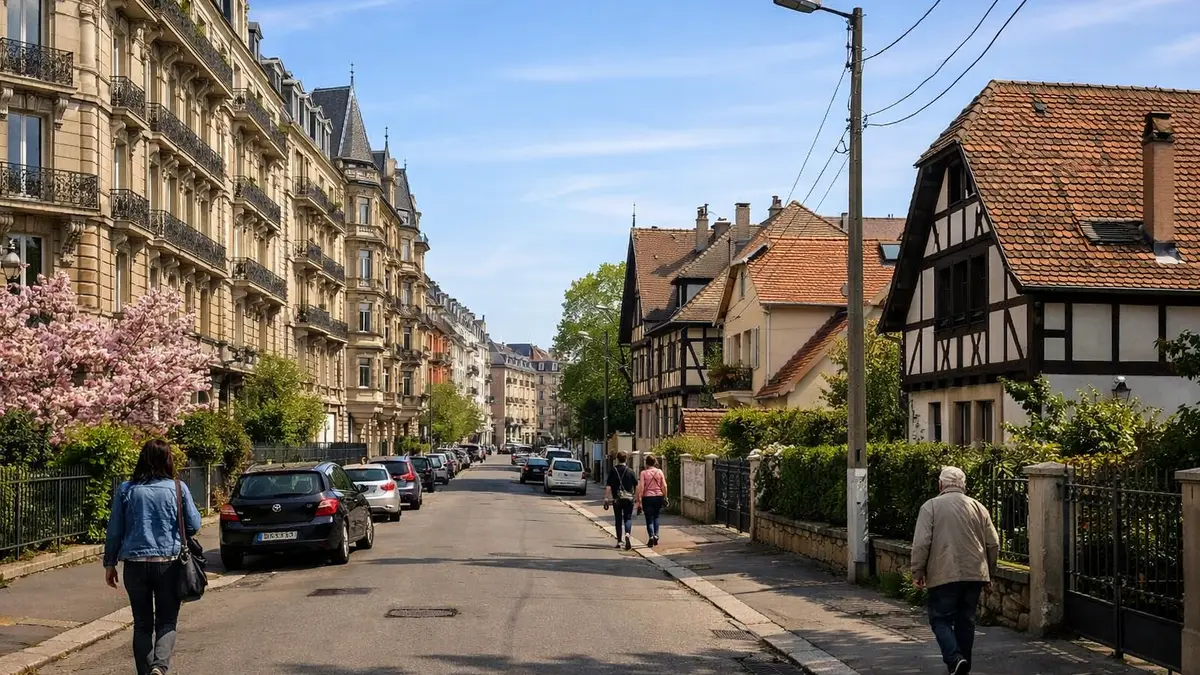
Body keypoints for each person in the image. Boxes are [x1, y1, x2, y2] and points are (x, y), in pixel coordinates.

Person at [104, 439, 202, 675]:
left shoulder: (126, 489)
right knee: (167, 621)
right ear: (167, 460)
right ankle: (159, 667)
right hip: (168, 564)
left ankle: (146, 672)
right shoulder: (177, 488)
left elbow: (115, 529)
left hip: (135, 566)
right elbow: (194, 524)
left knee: (142, 624)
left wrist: (110, 563)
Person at [910, 466, 1000, 675]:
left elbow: (922, 543)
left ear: (941, 484)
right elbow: (993, 543)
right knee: (966, 620)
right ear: (963, 485)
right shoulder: (979, 507)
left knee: (940, 618)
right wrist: (989, 574)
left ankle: (954, 659)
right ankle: (963, 665)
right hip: (975, 573)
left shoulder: (930, 507)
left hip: (943, 574)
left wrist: (917, 572)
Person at [604, 450, 638, 550]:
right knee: (627, 518)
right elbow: (636, 484)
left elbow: (608, 486)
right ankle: (627, 534)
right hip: (628, 498)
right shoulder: (630, 471)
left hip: (617, 499)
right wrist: (635, 496)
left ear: (617, 459)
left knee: (618, 519)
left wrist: (606, 498)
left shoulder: (613, 470)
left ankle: (619, 541)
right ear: (626, 459)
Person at [635, 455, 667, 547]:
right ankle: (656, 535)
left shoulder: (643, 473)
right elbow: (664, 485)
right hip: (658, 496)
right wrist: (665, 496)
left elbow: (641, 487)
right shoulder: (659, 471)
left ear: (646, 463)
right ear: (655, 462)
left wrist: (639, 500)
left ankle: (651, 536)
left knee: (649, 519)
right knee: (656, 516)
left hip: (647, 497)